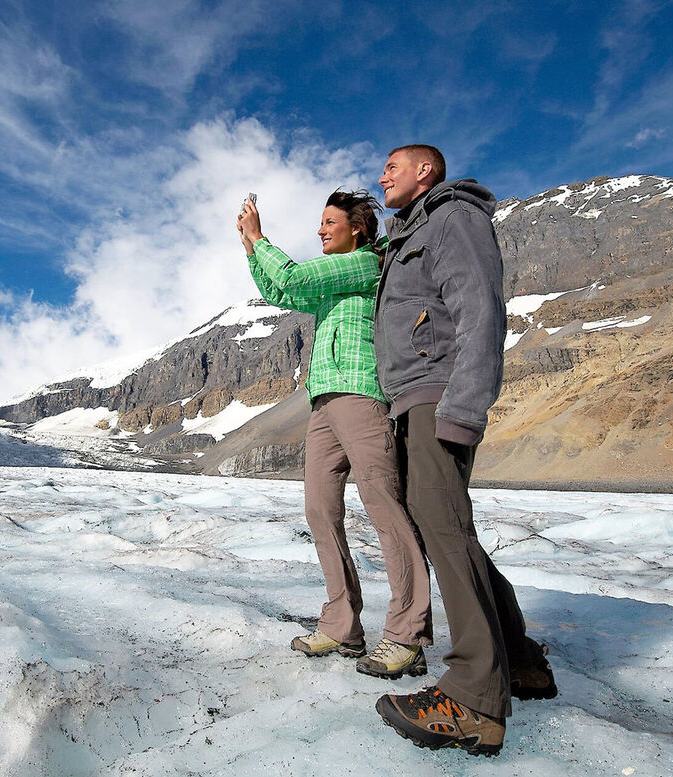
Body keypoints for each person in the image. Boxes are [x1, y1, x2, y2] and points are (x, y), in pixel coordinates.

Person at [370, 145, 557, 757]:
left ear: (426, 171)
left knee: (444, 529)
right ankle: (521, 660)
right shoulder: (410, 233)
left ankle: (475, 698)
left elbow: (480, 311)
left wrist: (463, 407)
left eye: (392, 167)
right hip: (412, 398)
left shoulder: (453, 217)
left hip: (437, 394)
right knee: (450, 529)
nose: (381, 177)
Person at [236, 189, 434, 679]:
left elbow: (293, 277)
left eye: (329, 222)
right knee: (320, 510)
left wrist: (261, 238)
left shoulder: (364, 264)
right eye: (320, 223)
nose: (321, 230)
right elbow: (279, 292)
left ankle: (407, 634)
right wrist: (249, 247)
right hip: (323, 401)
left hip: (360, 395)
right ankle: (342, 624)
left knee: (385, 508)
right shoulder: (338, 276)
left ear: (357, 229)